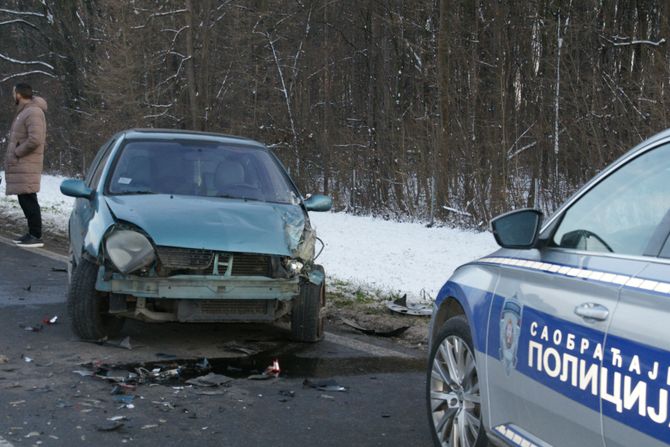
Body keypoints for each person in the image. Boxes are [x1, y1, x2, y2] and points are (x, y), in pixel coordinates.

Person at [4, 83, 48, 248]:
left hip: (26, 164)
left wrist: (17, 152)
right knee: (25, 198)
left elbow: (35, 139)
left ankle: (36, 235)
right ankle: (32, 233)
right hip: (22, 165)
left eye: (13, 92)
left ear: (19, 94)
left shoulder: (33, 112)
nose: (12, 95)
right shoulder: (25, 111)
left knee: (28, 199)